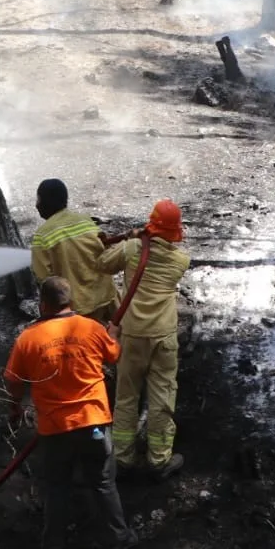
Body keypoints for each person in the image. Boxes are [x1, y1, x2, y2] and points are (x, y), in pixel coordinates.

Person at [3, 277, 136, 549]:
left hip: (55, 429)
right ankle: (117, 541)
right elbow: (113, 355)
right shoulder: (91, 328)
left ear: (42, 305)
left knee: (56, 486)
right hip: (94, 424)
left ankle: (54, 547)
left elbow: (12, 379)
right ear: (70, 302)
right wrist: (112, 334)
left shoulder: (28, 339)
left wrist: (15, 406)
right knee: (102, 482)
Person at [97, 199, 191, 479]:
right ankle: (159, 460)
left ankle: (123, 458)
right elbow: (162, 253)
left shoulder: (132, 249)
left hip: (133, 335)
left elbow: (103, 264)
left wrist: (131, 238)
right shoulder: (180, 261)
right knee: (162, 398)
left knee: (126, 397)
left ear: (151, 224)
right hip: (163, 337)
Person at [30, 179, 118, 321]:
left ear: (46, 202)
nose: (36, 205)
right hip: (106, 296)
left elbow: (44, 278)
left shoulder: (42, 236)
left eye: (38, 200)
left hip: (79, 308)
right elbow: (106, 250)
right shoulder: (85, 220)